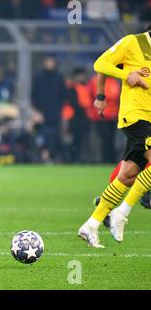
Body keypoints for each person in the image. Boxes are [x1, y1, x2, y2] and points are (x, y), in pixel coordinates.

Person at [78, 29, 151, 248]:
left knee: (127, 175)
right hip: (135, 115)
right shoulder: (133, 42)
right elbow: (101, 64)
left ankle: (91, 224)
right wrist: (123, 78)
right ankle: (122, 212)